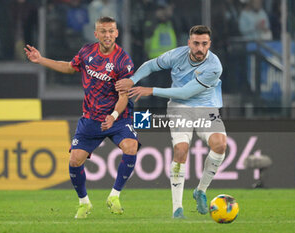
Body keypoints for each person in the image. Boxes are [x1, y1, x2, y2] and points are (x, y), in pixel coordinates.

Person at [24, 16, 140, 219]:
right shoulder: (87, 51)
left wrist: (113, 116)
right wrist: (40, 59)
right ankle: (84, 203)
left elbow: (123, 96)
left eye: (111, 31)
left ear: (117, 33)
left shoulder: (124, 61)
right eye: (103, 31)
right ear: (96, 34)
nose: (107, 35)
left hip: (118, 118)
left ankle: (114, 196)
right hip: (91, 118)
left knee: (131, 146)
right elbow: (69, 67)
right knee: (75, 160)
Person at [116, 25, 227, 219]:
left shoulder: (214, 66)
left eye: (204, 44)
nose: (199, 48)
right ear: (189, 43)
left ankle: (200, 190)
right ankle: (177, 208)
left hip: (206, 108)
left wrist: (151, 90)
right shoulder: (177, 55)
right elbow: (151, 65)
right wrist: (133, 80)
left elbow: (186, 92)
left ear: (209, 44)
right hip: (179, 108)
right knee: (181, 150)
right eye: (196, 43)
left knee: (220, 145)